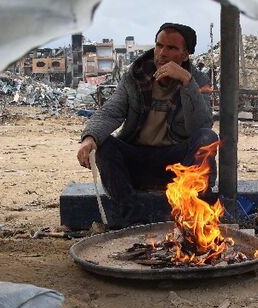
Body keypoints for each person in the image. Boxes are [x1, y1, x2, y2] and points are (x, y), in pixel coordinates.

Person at [76, 23, 218, 227]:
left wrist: (187, 83)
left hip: (176, 164)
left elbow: (202, 125)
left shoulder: (198, 81)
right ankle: (133, 219)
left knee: (207, 138)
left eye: (172, 48)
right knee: (104, 144)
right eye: (159, 45)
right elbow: (112, 110)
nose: (162, 53)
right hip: (137, 159)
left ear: (185, 55)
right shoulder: (135, 77)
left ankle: (191, 215)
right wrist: (89, 138)